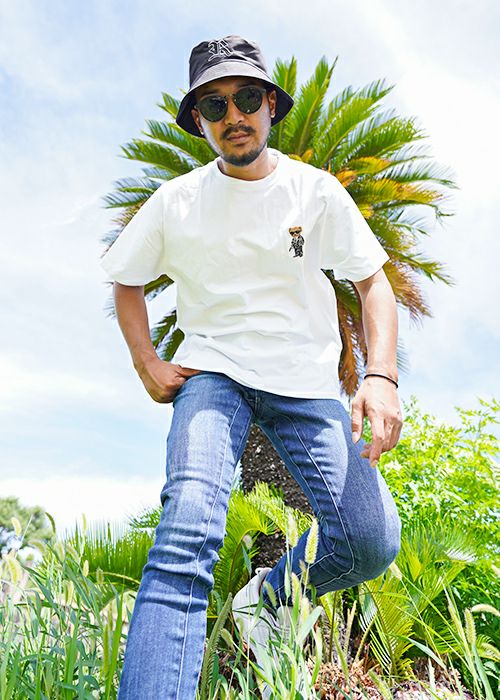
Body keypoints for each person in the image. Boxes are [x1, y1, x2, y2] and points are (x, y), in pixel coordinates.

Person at [100, 34, 403, 700]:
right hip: (212, 375)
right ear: (199, 121)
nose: (232, 115)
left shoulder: (314, 191)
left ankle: (269, 598)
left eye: (244, 98)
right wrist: (146, 360)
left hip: (306, 385)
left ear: (269, 105)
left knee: (371, 539)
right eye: (214, 105)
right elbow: (125, 279)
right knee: (186, 531)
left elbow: (372, 282)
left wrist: (379, 377)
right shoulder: (175, 201)